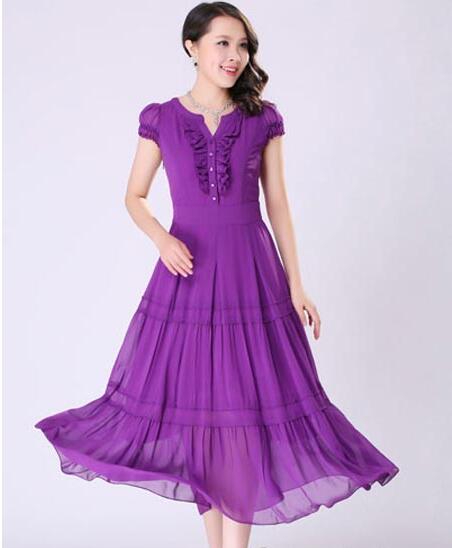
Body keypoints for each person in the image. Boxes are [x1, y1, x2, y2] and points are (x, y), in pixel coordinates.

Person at [34, 2, 399, 548]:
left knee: (245, 417)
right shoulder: (160, 118)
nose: (234, 56)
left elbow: (278, 205)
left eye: (243, 45)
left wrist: (296, 284)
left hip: (251, 276)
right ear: (192, 46)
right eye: (222, 43)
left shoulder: (263, 118)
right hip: (187, 276)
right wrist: (162, 239)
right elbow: (133, 196)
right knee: (202, 419)